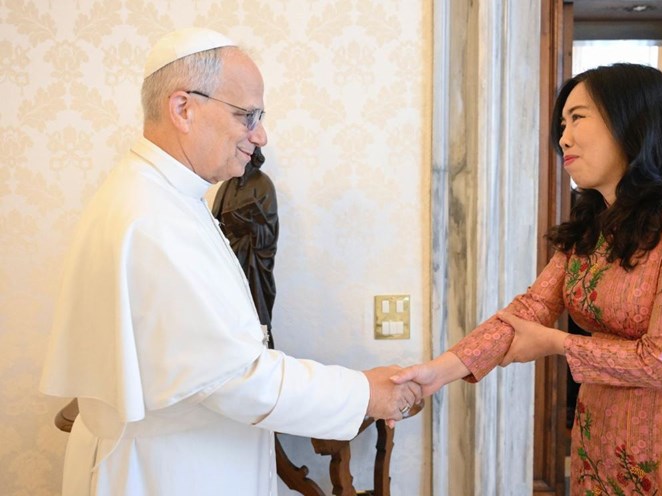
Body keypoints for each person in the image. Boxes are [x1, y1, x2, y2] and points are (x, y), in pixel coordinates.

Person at [39, 27, 420, 496]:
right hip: (169, 474)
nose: (260, 135)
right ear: (183, 108)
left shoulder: (167, 197)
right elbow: (234, 378)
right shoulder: (152, 215)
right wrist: (364, 391)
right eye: (248, 116)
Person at [393, 63, 662, 494]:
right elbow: (530, 309)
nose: (563, 137)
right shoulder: (597, 221)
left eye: (579, 117)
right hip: (600, 439)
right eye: (562, 123)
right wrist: (437, 372)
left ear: (633, 121)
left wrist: (556, 343)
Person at [212, 146, 279, 348]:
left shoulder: (263, 184)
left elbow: (269, 233)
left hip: (253, 263)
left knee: (256, 313)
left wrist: (249, 225)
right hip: (228, 261)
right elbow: (214, 221)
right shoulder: (227, 185)